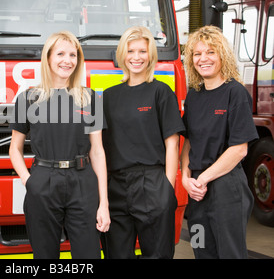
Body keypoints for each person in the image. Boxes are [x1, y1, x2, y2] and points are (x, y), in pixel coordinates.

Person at [9, 31, 110, 259]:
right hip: (43, 181)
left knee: (89, 256)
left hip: (83, 183)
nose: (68, 60)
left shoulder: (89, 98)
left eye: (73, 55)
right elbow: (14, 149)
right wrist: (29, 181)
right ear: (48, 58)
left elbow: (97, 151)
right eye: (61, 54)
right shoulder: (28, 98)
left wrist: (103, 203)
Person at [101, 26, 184, 259]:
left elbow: (172, 143)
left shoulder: (161, 92)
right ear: (122, 54)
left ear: (151, 56)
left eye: (142, 51)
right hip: (115, 185)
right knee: (116, 254)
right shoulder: (108, 96)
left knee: (157, 254)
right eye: (130, 51)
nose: (136, 57)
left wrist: (167, 190)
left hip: (152, 183)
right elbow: (100, 148)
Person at [180, 25, 258, 259]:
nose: (203, 58)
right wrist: (185, 178)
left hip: (226, 187)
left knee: (230, 253)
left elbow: (239, 149)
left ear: (222, 55)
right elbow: (189, 142)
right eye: (197, 53)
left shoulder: (235, 93)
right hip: (197, 191)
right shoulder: (194, 94)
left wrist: (202, 178)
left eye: (210, 52)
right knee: (200, 247)